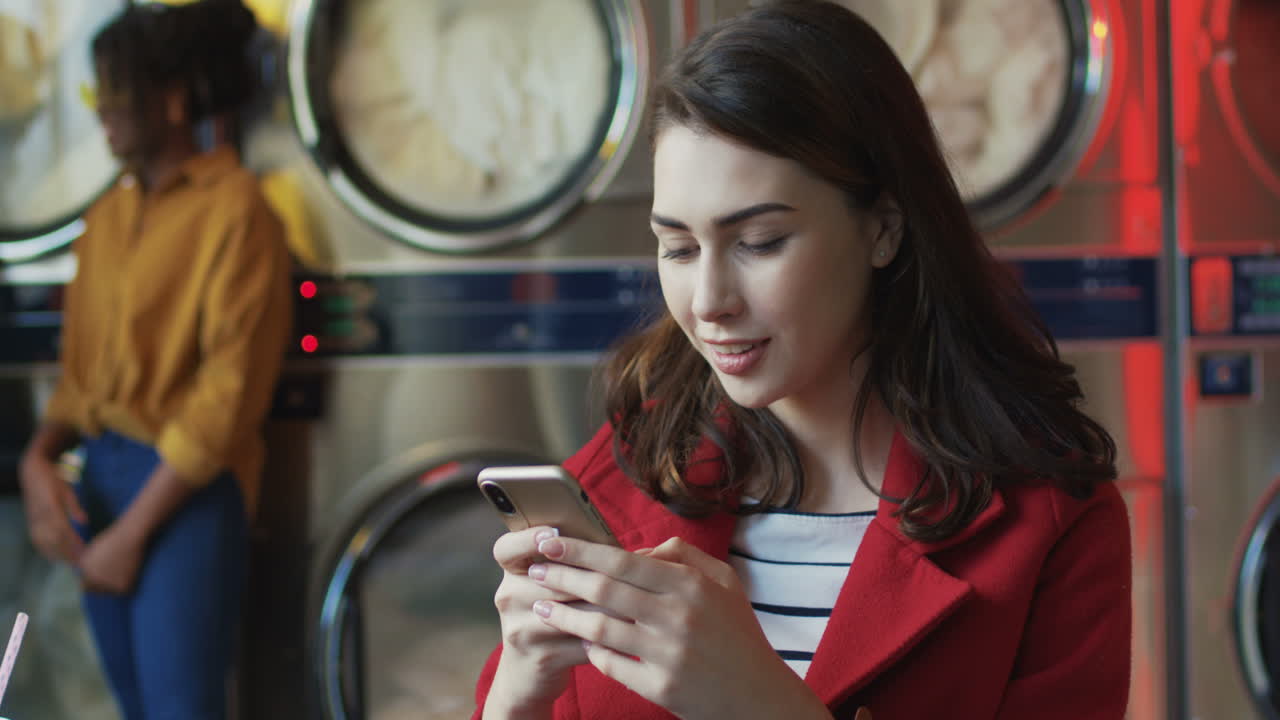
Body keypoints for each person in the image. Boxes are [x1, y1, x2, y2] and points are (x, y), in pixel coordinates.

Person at [473, 2, 1131, 719]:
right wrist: (517, 693)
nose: (709, 302)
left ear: (882, 229)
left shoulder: (1053, 520)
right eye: (679, 248)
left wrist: (757, 702)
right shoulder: (625, 471)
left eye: (758, 241)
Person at [17, 2, 292, 719]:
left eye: (115, 89)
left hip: (185, 493)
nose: (102, 109)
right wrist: (37, 461)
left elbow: (225, 402)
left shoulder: (237, 211)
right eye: (95, 91)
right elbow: (79, 386)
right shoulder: (105, 218)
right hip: (101, 480)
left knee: (181, 710)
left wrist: (132, 533)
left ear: (171, 99)